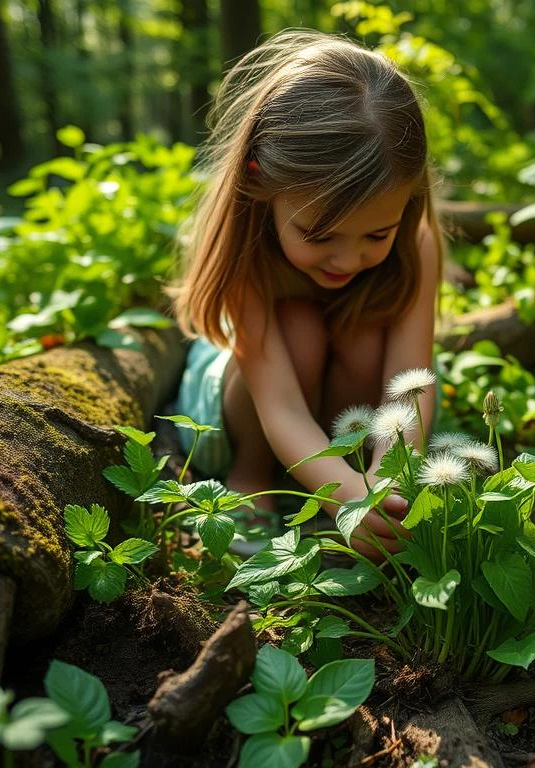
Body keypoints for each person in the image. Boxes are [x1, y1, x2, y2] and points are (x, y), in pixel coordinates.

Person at [169, 29, 445, 558]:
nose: (346, 260)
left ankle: (344, 474)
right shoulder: (245, 247)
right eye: (320, 236)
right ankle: (251, 479)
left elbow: (410, 383)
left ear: (410, 199)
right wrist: (345, 498)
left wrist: (390, 485)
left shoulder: (417, 240)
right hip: (243, 407)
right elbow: (279, 408)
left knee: (365, 335)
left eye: (376, 235)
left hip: (345, 409)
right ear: (259, 179)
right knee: (299, 326)